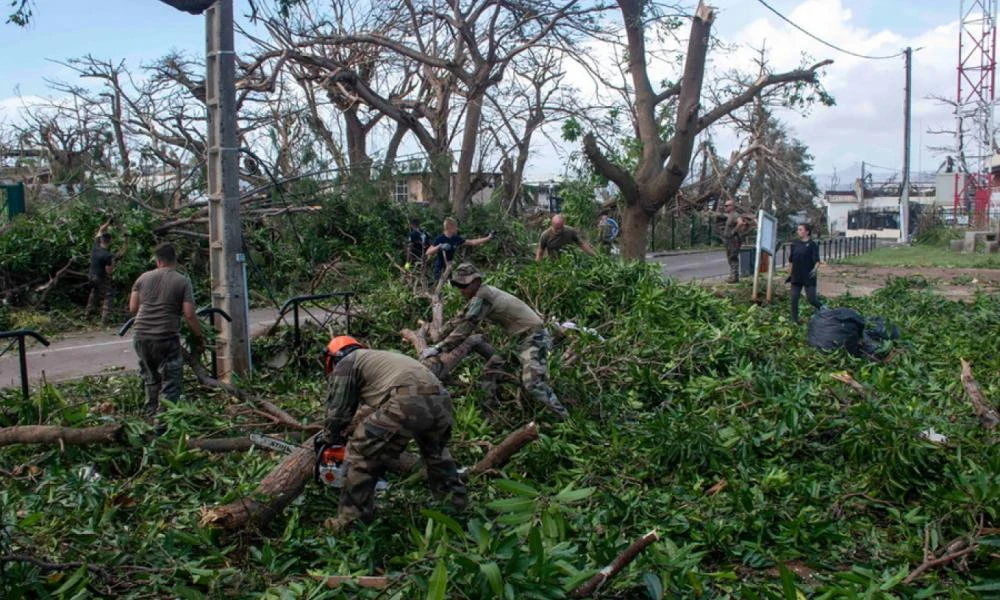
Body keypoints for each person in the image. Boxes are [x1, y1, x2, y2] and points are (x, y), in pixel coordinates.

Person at [318, 335, 467, 532]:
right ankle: (456, 508)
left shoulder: (346, 363)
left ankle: (351, 521)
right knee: (436, 454)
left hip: (407, 401)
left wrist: (329, 437)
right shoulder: (378, 358)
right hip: (440, 398)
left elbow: (338, 412)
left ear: (333, 357)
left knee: (360, 453)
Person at [421, 263, 569, 420]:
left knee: (533, 384)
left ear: (476, 281)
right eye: (457, 285)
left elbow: (466, 327)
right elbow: (461, 317)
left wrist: (438, 348)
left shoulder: (483, 296)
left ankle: (564, 419)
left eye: (463, 285)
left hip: (534, 338)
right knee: (490, 373)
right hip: (517, 341)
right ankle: (489, 417)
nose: (461, 289)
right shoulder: (479, 295)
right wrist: (439, 334)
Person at [129, 243, 205, 417]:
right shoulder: (182, 281)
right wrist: (199, 338)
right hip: (165, 338)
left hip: (140, 336)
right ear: (174, 260)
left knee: (151, 379)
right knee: (170, 383)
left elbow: (133, 308)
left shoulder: (142, 278)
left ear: (158, 261)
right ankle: (163, 425)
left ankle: (150, 418)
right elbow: (189, 315)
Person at [425, 217, 493, 281]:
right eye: (455, 227)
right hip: (439, 269)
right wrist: (439, 246)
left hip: (449, 268)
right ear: (450, 227)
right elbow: (428, 252)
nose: (457, 228)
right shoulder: (440, 239)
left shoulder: (456, 238)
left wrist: (488, 238)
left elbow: (472, 242)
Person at [787, 223, 823, 323]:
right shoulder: (795, 244)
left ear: (807, 232)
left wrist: (814, 270)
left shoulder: (812, 245)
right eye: (798, 230)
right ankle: (794, 320)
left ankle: (823, 309)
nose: (798, 231)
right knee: (794, 298)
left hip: (808, 275)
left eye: (801, 230)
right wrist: (789, 273)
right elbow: (791, 260)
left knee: (811, 299)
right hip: (796, 275)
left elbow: (817, 261)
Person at [85, 223, 115, 324]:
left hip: (91, 275)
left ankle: (88, 315)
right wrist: (113, 264)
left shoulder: (95, 246)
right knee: (108, 295)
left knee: (94, 292)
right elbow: (109, 271)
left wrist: (109, 221)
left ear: (101, 239)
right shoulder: (107, 255)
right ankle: (104, 320)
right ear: (110, 241)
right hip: (100, 277)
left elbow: (101, 230)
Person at [722, 200, 750, 283]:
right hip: (729, 240)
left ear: (732, 206)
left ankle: (734, 277)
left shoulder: (735, 215)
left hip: (733, 240)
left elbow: (740, 223)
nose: (725, 207)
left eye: (727, 205)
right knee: (730, 257)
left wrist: (734, 231)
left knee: (733, 258)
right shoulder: (730, 215)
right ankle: (732, 276)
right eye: (725, 205)